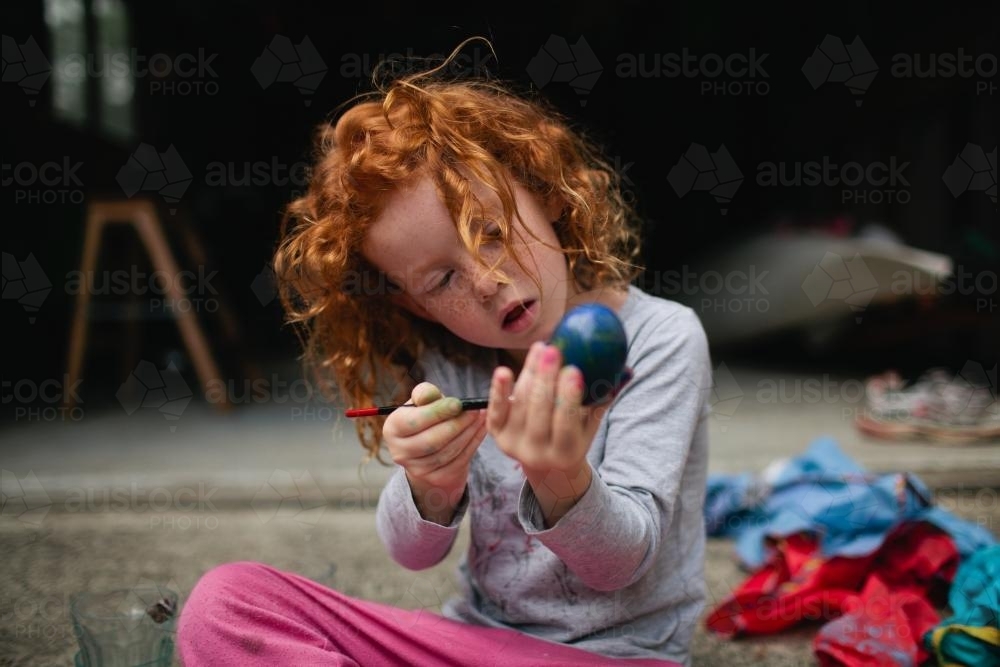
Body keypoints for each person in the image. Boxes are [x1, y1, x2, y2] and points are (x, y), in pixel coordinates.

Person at [177, 39, 712, 666]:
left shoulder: (662, 339)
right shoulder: (453, 361)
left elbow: (620, 565)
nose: (486, 280)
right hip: (475, 644)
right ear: (413, 306)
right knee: (228, 600)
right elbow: (412, 554)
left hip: (616, 656)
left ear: (547, 195)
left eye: (491, 231)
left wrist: (562, 478)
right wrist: (428, 482)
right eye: (441, 280)